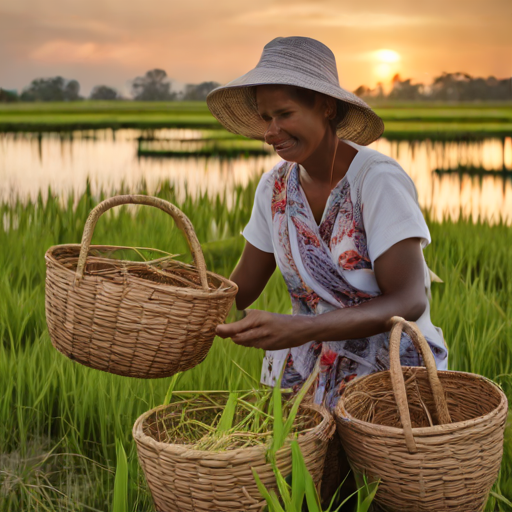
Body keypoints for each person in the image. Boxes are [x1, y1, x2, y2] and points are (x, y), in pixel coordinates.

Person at [209, 36, 448, 410]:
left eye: (284, 115)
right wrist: (173, 302)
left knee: (370, 473)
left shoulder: (376, 180)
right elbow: (240, 289)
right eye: (266, 118)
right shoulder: (275, 188)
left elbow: (409, 299)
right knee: (297, 471)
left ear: (326, 107)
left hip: (389, 387)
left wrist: (299, 328)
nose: (271, 133)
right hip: (304, 379)